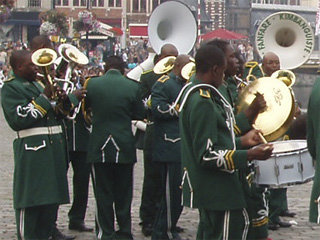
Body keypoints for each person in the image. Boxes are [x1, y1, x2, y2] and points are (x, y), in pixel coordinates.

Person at [179, 43, 273, 240]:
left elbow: (219, 139)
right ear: (215, 70)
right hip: (219, 190)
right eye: (222, 72)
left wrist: (243, 142)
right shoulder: (203, 101)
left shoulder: (198, 93)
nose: (224, 77)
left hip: (214, 190)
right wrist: (249, 154)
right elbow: (207, 155)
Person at [1, 50, 70, 239]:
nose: (36, 68)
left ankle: (47, 231)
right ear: (18, 67)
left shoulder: (38, 84)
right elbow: (19, 118)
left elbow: (56, 115)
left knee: (49, 196)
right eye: (31, 65)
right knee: (30, 197)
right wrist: (44, 98)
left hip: (52, 147)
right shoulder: (11, 87)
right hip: (32, 149)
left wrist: (63, 101)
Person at [207, 39, 269, 240]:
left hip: (236, 160)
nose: (238, 61)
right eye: (232, 56)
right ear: (218, 62)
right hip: (223, 170)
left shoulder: (227, 86)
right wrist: (251, 111)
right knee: (220, 229)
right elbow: (224, 133)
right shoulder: (207, 95)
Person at [83, 55, 145, 239]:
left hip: (99, 144)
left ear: (105, 67)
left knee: (102, 193)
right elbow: (139, 114)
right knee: (124, 193)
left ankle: (105, 232)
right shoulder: (133, 86)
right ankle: (125, 230)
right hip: (124, 144)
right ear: (124, 69)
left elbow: (86, 110)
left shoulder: (92, 84)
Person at [138, 43, 179, 237]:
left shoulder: (182, 78)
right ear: (159, 58)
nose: (171, 60)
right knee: (152, 180)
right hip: (154, 132)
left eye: (175, 57)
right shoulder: (148, 77)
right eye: (168, 56)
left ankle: (166, 219)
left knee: (170, 181)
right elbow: (140, 104)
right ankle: (148, 218)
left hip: (174, 135)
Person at [151, 54, 192, 240]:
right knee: (169, 196)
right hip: (169, 146)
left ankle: (170, 227)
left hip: (182, 146)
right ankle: (163, 232)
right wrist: (178, 109)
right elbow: (157, 108)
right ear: (178, 66)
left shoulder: (188, 83)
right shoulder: (164, 82)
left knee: (178, 195)